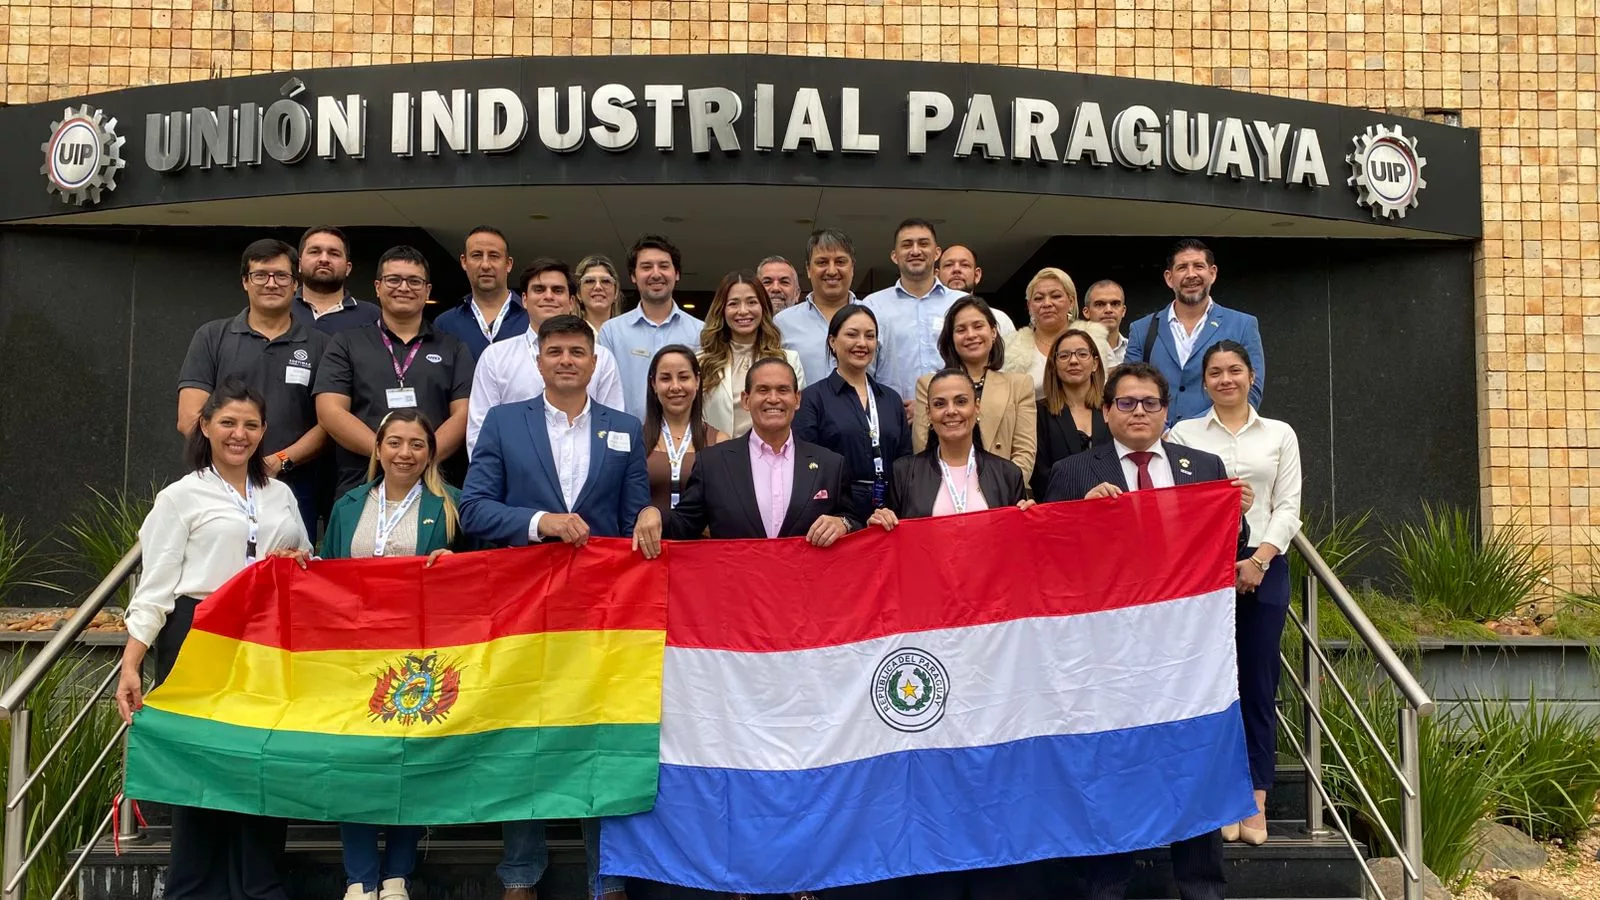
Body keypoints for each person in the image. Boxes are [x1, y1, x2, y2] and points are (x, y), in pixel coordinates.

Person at [460, 314, 649, 900]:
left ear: (595, 362)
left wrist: (649, 513)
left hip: (600, 613)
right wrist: (541, 522)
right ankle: (520, 873)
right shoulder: (503, 421)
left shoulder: (624, 427)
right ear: (538, 360)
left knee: (599, 739)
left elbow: (633, 514)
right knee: (524, 738)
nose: (567, 360)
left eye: (577, 352)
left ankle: (606, 878)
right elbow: (474, 509)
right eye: (556, 351)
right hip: (523, 609)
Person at [1041, 361, 1244, 900]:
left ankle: (1201, 888)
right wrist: (1080, 516)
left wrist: (1237, 511)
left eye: (1150, 403)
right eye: (1126, 403)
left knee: (1193, 766)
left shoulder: (1204, 467)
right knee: (1111, 770)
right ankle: (1107, 887)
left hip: (1186, 656)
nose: (1138, 412)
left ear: (1165, 411)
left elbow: (1230, 545)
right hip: (1107, 656)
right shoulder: (1072, 472)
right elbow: (1048, 558)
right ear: (1106, 412)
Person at [115, 377, 311, 900]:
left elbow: (305, 559)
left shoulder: (280, 495)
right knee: (199, 762)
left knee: (263, 758)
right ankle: (194, 886)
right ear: (204, 427)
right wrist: (131, 663)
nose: (238, 434)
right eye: (227, 422)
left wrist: (297, 559)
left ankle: (260, 884)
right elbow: (156, 586)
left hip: (266, 639)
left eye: (250, 424)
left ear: (264, 431)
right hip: (198, 636)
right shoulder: (180, 497)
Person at [320, 409, 462, 900]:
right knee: (355, 760)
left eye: (417, 444)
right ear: (378, 449)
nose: (406, 453)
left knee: (411, 761)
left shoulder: (450, 505)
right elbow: (327, 573)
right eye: (395, 442)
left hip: (420, 654)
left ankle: (398, 874)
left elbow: (483, 572)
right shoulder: (348, 504)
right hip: (355, 653)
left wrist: (456, 562)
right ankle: (360, 878)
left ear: (431, 453)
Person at [1168, 341, 1302, 847]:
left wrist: (1259, 560)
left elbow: (1288, 506)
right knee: (1209, 684)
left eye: (1235, 371)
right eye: (1216, 373)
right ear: (1203, 382)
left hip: (1263, 563)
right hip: (1201, 569)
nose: (1226, 380)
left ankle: (1255, 798)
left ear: (1251, 376)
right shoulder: (1184, 433)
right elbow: (1175, 505)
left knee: (1258, 682)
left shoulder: (1279, 434)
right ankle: (1220, 795)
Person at [178, 238, 330, 536]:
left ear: (296, 284)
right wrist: (236, 461)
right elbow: (189, 417)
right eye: (260, 275)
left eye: (281, 276)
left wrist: (279, 461)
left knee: (290, 561)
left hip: (294, 484)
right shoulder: (212, 337)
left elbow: (329, 423)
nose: (271, 283)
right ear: (245, 282)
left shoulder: (321, 345)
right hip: (218, 484)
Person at [633, 358, 859, 551]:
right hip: (736, 586)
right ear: (746, 400)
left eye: (783, 390)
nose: (773, 398)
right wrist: (653, 514)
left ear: (797, 399)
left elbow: (855, 520)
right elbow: (684, 525)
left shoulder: (830, 464)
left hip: (806, 586)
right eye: (763, 390)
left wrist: (843, 523)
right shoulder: (713, 463)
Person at [314, 246, 474, 495]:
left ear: (427, 290)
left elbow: (464, 415)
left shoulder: (453, 348)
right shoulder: (346, 343)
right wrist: (387, 455)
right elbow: (330, 411)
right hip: (362, 483)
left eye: (414, 281)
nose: (404, 287)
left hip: (434, 485)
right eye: (393, 280)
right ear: (378, 287)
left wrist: (420, 457)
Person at [467, 258, 625, 457]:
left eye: (557, 290)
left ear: (571, 302)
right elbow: (480, 431)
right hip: (513, 474)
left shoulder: (601, 358)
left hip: (585, 473)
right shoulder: (495, 357)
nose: (548, 296)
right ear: (524, 300)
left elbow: (613, 427)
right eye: (539, 289)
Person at [1125, 239, 1265, 426]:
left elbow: (1252, 389)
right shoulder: (1141, 329)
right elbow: (1129, 388)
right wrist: (1163, 431)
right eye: (1182, 267)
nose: (1191, 274)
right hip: (1156, 437)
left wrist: (1197, 430)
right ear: (1169, 278)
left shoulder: (1243, 325)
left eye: (1198, 266)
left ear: (1212, 273)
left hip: (1216, 436)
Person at [870, 368, 1032, 523]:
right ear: (929, 413)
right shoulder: (904, 472)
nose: (951, 411)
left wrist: (1031, 518)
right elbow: (892, 536)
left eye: (961, 402)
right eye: (940, 404)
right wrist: (881, 523)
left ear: (976, 407)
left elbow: (1018, 538)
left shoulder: (1008, 474)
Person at [794, 304, 913, 514]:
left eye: (870, 336)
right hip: (834, 512)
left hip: (889, 511)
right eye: (852, 334)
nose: (862, 343)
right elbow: (806, 465)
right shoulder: (813, 398)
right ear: (832, 341)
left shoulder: (891, 400)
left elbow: (905, 461)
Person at [911, 296, 1036, 484]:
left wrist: (998, 489)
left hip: (1005, 492)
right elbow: (923, 448)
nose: (970, 335)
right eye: (961, 329)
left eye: (978, 326)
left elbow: (1024, 453)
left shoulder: (1019, 385)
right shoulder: (928, 384)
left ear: (993, 332)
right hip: (945, 489)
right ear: (951, 338)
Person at [597, 234, 706, 419]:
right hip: (628, 434)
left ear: (677, 274)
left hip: (687, 435)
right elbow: (604, 394)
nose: (656, 274)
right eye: (646, 267)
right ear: (633, 276)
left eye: (664, 266)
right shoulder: (612, 332)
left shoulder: (701, 332)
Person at [863, 218, 963, 405]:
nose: (915, 251)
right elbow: (862, 367)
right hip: (893, 415)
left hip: (953, 414)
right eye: (907, 245)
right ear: (894, 256)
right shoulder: (873, 305)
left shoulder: (960, 303)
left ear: (937, 253)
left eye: (923, 244)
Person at [698, 270, 807, 436]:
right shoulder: (701, 363)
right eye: (733, 304)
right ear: (722, 310)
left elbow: (798, 420)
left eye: (751, 302)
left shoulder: (789, 360)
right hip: (716, 450)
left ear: (763, 307)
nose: (743, 311)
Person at [639, 345, 727, 517]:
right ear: (653, 384)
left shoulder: (719, 441)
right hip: (647, 534)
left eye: (684, 377)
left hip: (701, 534)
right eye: (665, 378)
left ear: (697, 381)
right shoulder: (636, 439)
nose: (675, 386)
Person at [1031, 323, 1114, 499]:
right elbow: (1040, 476)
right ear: (1054, 365)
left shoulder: (1113, 408)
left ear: (1095, 364)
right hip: (1062, 507)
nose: (1073, 361)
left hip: (1113, 503)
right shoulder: (1038, 414)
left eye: (1082, 354)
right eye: (1064, 356)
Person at [774, 228, 862, 390]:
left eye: (840, 262)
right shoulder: (782, 323)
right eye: (822, 262)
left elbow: (887, 384)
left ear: (852, 268)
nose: (832, 271)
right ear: (808, 269)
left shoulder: (876, 318)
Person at [432, 226, 527, 360]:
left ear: (508, 264)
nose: (485, 265)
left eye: (494, 256)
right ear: (464, 262)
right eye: (476, 255)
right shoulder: (445, 324)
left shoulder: (532, 319)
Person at [1003, 266, 1078, 398]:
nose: (1047, 303)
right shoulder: (1010, 348)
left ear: (1071, 302)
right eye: (1038, 298)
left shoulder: (1094, 341)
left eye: (1056, 296)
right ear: (1029, 306)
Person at [292, 226, 382, 333]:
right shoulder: (280, 310)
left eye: (334, 254)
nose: (324, 259)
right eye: (315, 252)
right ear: (299, 265)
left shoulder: (372, 316)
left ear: (348, 268)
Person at [934, 242, 1018, 337]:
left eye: (965, 265)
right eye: (948, 265)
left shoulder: (999, 319)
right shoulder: (925, 318)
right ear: (936, 276)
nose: (956, 269)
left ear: (977, 275)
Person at [1082, 279, 1130, 367]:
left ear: (1123, 311)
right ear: (1086, 312)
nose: (1108, 310)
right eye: (1100, 304)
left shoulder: (1133, 348)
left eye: (1115, 304)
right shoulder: (1075, 349)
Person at [576, 253, 622, 332]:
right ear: (578, 293)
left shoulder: (629, 332)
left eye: (605, 281)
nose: (598, 287)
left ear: (616, 292)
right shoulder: (567, 333)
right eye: (589, 281)